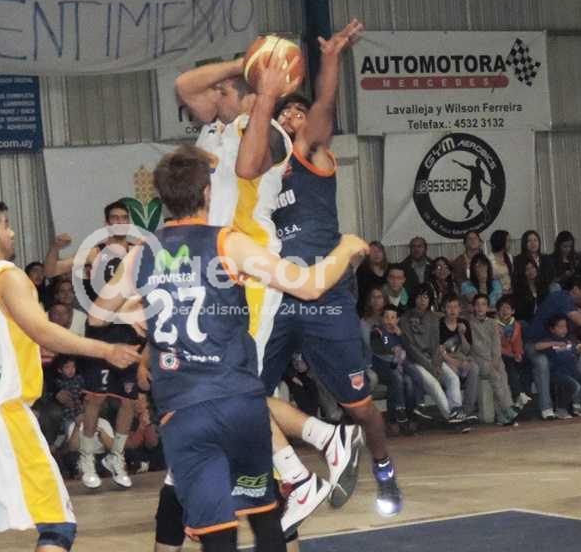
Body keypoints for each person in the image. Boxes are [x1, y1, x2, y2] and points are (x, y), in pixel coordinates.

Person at [89, 145, 370, 551]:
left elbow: (98, 315)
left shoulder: (140, 255)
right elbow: (309, 286)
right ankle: (315, 456)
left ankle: (310, 464)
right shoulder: (227, 243)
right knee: (265, 517)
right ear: (207, 192)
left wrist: (134, 308)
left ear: (162, 199)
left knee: (216, 535)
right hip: (238, 405)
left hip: (183, 411)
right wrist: (344, 248)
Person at [0, 200, 140, 552]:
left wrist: (29, 349)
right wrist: (106, 350)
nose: (12, 232)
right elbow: (43, 331)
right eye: (6, 225)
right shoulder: (7, 276)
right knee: (58, 524)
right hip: (1, 412)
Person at [269, 21, 400, 519]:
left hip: (324, 294)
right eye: (285, 112)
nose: (294, 116)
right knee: (244, 393)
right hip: (278, 296)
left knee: (358, 405)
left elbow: (324, 105)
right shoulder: (262, 173)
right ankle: (295, 470)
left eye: (299, 112)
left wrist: (331, 59)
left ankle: (383, 467)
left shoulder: (311, 153)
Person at [46, 201, 144, 492]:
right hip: (101, 331)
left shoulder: (138, 252)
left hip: (130, 329)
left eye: (124, 217)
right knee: (95, 398)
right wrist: (54, 248)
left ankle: (116, 456)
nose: (119, 221)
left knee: (129, 400)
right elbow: (51, 269)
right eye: (114, 218)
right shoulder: (95, 253)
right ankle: (87, 458)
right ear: (106, 223)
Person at [522, 275, 581, 420]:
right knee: (542, 363)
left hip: (557, 345)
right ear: (575, 290)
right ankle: (546, 408)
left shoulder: (570, 303)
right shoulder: (561, 297)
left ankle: (577, 404)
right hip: (536, 343)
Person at [400, 285, 457, 422]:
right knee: (434, 384)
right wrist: (431, 367)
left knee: (453, 378)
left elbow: (435, 344)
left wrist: (436, 363)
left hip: (432, 359)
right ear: (414, 298)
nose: (422, 300)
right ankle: (450, 416)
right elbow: (411, 349)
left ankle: (457, 411)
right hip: (415, 361)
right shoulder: (404, 319)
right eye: (419, 296)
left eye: (426, 297)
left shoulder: (433, 318)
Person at [369, 305, 423, 435]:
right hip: (383, 367)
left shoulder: (399, 332)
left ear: (397, 320)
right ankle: (398, 412)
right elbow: (377, 349)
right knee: (397, 377)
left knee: (410, 380)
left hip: (399, 366)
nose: (389, 321)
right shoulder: (377, 332)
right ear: (382, 319)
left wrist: (401, 336)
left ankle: (414, 412)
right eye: (386, 317)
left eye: (393, 317)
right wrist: (391, 350)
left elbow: (409, 348)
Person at [467, 294, 518, 426]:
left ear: (488, 307)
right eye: (477, 304)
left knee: (502, 374)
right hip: (478, 359)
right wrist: (489, 361)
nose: (480, 307)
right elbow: (474, 345)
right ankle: (508, 408)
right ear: (473, 307)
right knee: (495, 376)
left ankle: (502, 416)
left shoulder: (493, 323)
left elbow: (496, 343)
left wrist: (495, 359)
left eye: (483, 304)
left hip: (493, 358)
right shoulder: (469, 323)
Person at [535, 316, 581, 419]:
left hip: (572, 371)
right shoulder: (548, 339)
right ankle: (561, 409)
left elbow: (575, 350)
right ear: (552, 329)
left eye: (565, 326)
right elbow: (537, 346)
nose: (563, 329)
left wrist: (580, 350)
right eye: (560, 327)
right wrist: (555, 343)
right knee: (574, 385)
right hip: (557, 373)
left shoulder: (568, 340)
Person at [438, 295, 480, 422]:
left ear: (460, 309)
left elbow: (467, 350)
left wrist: (462, 334)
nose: (452, 310)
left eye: (455, 307)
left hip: (461, 358)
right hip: (444, 360)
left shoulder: (464, 323)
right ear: (444, 309)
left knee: (474, 369)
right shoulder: (439, 325)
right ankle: (455, 412)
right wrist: (455, 363)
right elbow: (439, 352)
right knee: (454, 374)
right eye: (449, 307)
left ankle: (468, 410)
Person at [495, 296, 533, 408]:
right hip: (500, 354)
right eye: (502, 308)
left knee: (528, 363)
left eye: (507, 308)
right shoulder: (493, 325)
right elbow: (495, 346)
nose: (504, 311)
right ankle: (519, 394)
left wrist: (518, 353)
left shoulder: (516, 325)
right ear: (498, 311)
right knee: (509, 363)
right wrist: (511, 354)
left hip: (512, 354)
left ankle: (526, 393)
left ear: (513, 311)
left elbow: (518, 342)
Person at [356, 241, 388, 311]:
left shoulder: (389, 268)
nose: (376, 254)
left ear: (383, 253)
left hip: (386, 309)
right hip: (368, 309)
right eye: (373, 251)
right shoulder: (362, 270)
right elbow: (361, 295)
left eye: (379, 251)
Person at [488, 230, 513, 294]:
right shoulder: (488, 259)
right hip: (496, 293)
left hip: (510, 292)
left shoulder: (509, 257)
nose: (510, 243)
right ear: (501, 241)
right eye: (508, 240)